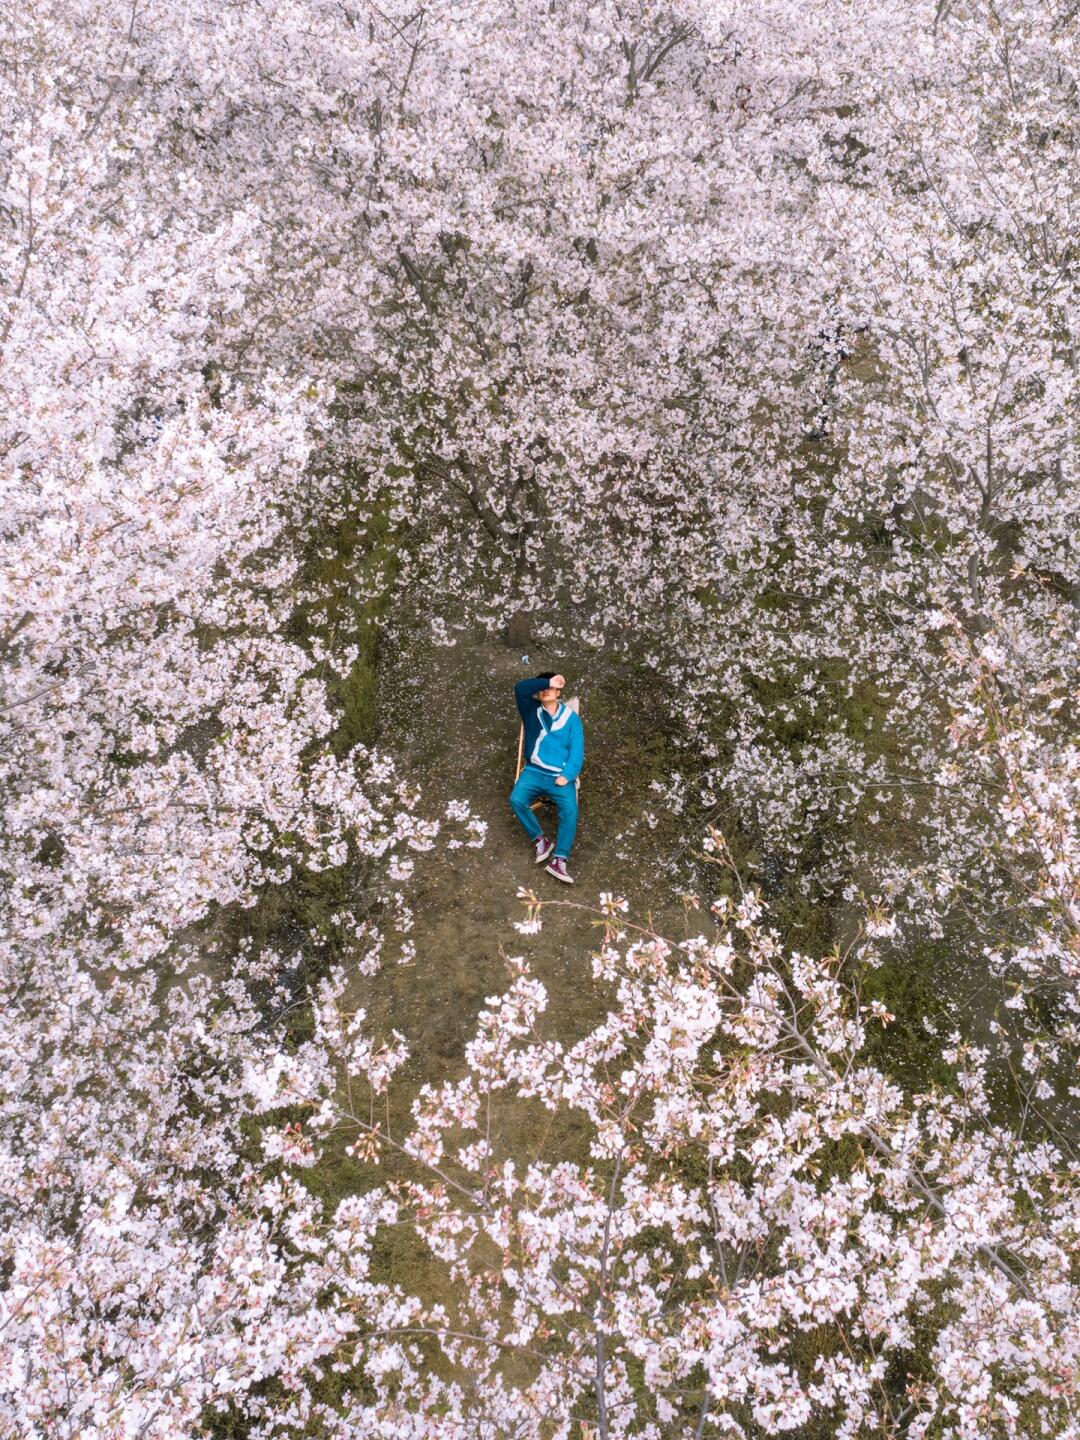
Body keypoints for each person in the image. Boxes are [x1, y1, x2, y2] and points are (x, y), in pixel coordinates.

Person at [509, 670, 584, 883]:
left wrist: (567, 775)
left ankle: (559, 860)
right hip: (533, 771)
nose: (545, 691)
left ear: (559, 691)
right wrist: (547, 681)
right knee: (516, 800)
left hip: (559, 775)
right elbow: (520, 688)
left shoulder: (571, 719)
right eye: (542, 688)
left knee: (570, 810)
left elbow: (577, 752)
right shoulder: (531, 711)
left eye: (550, 688)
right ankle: (540, 840)